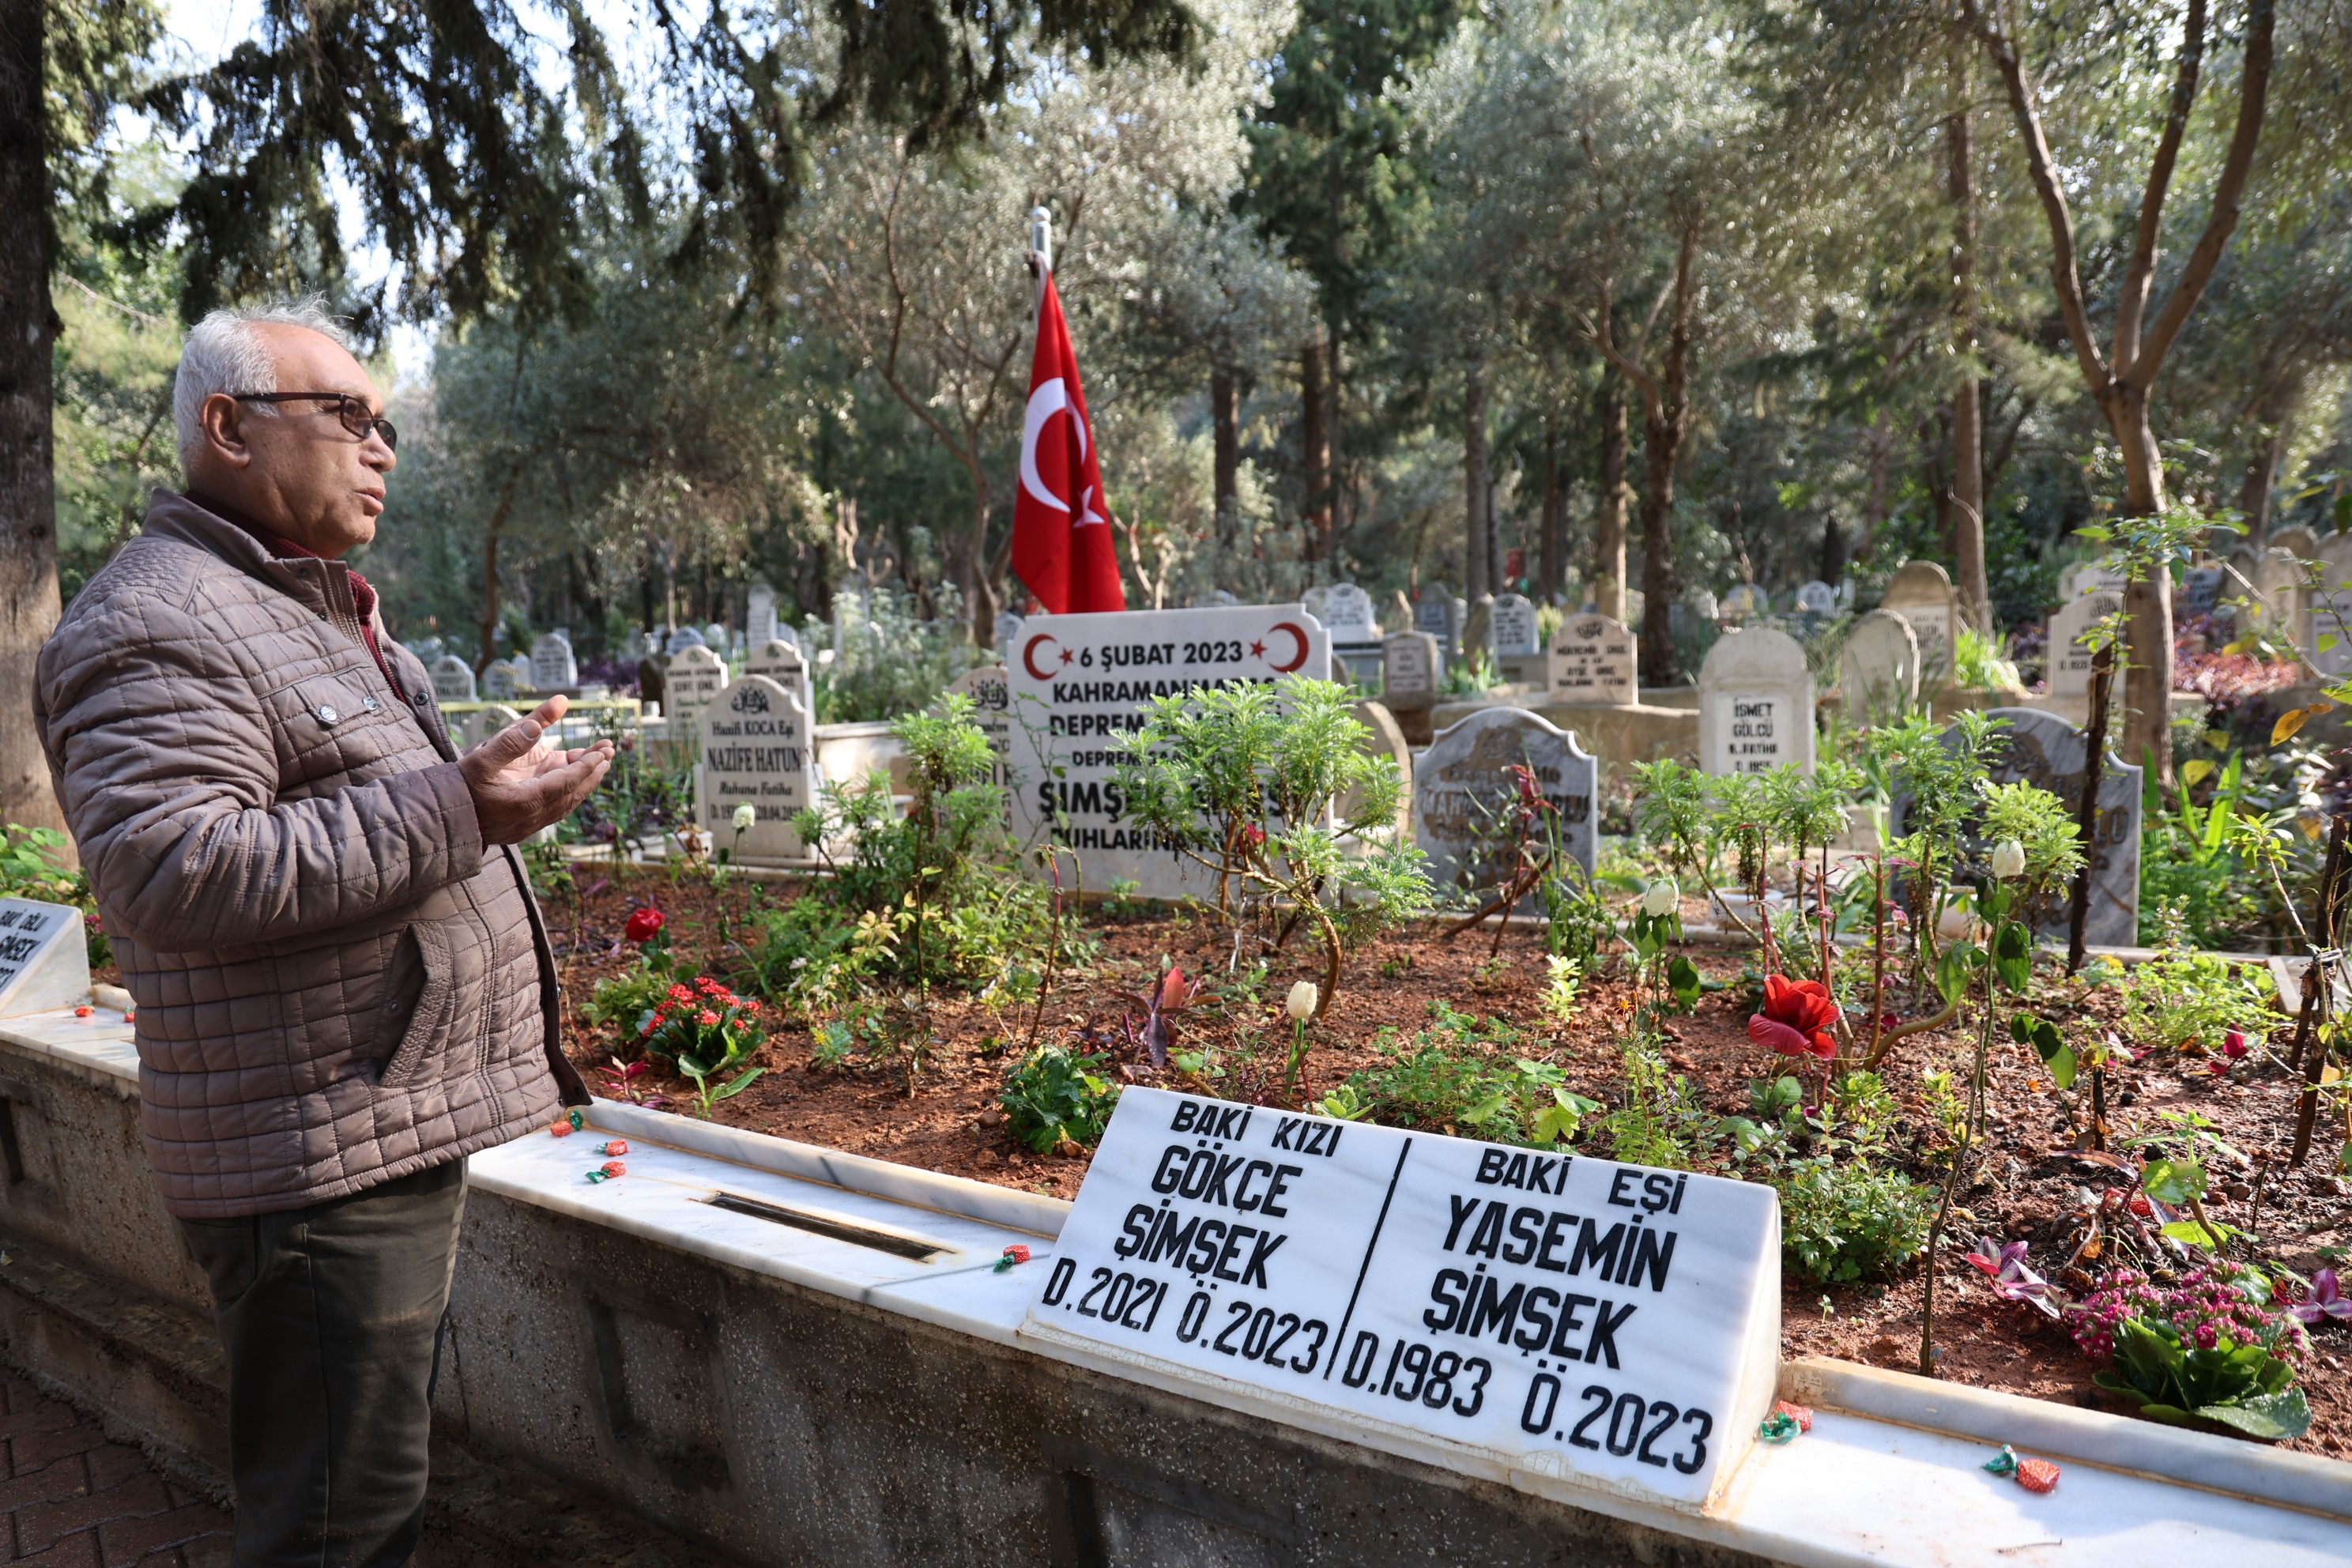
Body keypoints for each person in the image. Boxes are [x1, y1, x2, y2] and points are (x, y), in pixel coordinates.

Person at [33, 300, 612, 1567]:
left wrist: (468, 798)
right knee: (338, 1530)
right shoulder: (156, 617)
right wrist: (462, 804)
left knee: (357, 1502)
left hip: (355, 1126)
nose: (382, 447)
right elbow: (172, 868)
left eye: (384, 422)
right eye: (347, 416)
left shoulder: (293, 600)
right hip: (313, 1166)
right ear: (227, 426)